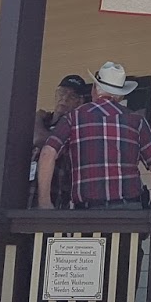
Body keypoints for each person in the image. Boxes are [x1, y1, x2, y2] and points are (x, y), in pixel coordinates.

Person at [37, 61, 151, 210]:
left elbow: (47, 154)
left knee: (87, 234)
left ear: (94, 89)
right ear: (120, 95)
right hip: (129, 214)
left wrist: (44, 202)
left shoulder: (73, 118)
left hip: (87, 214)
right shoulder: (136, 120)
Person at [38, 74, 91, 209]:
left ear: (80, 102)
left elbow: (43, 140)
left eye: (72, 96)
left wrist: (36, 120)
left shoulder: (77, 125)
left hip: (60, 197)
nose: (65, 98)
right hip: (30, 195)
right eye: (62, 92)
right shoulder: (44, 120)